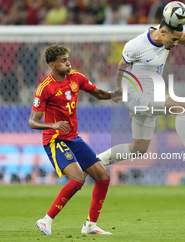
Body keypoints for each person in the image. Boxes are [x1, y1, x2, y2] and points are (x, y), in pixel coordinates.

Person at [97, 8, 185, 175]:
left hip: (149, 97)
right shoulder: (137, 45)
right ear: (163, 32)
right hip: (136, 96)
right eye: (174, 39)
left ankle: (95, 162)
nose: (177, 43)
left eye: (177, 39)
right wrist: (118, 89)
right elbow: (122, 64)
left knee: (138, 149)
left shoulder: (166, 36)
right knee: (180, 106)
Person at [29, 44, 121, 235]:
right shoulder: (45, 88)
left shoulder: (76, 78)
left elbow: (98, 94)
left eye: (68, 59)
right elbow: (32, 122)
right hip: (55, 140)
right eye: (63, 61)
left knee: (103, 176)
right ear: (52, 64)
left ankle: (90, 225)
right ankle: (46, 220)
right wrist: (52, 125)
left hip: (73, 138)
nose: (68, 63)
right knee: (78, 179)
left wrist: (114, 95)